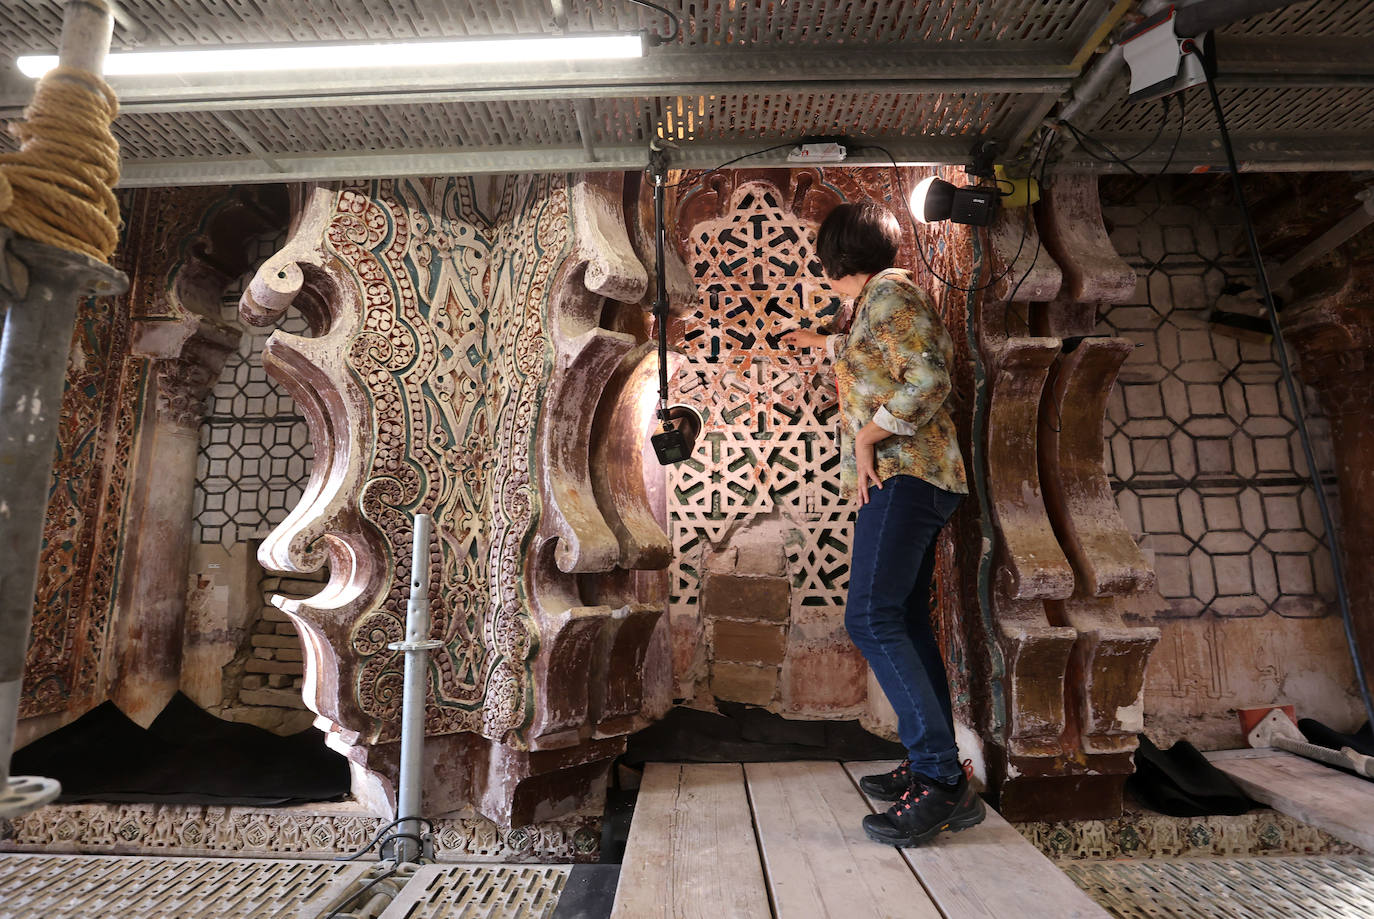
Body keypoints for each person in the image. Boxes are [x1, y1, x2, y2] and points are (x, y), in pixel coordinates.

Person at [780, 201, 982, 847]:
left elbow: (926, 379)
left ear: (837, 257)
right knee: (904, 620)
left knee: (868, 617)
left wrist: (866, 439)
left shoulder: (891, 296)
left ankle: (942, 779)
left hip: (905, 474)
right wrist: (827, 344)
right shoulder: (878, 304)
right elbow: (882, 355)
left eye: (823, 257)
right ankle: (935, 765)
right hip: (912, 479)